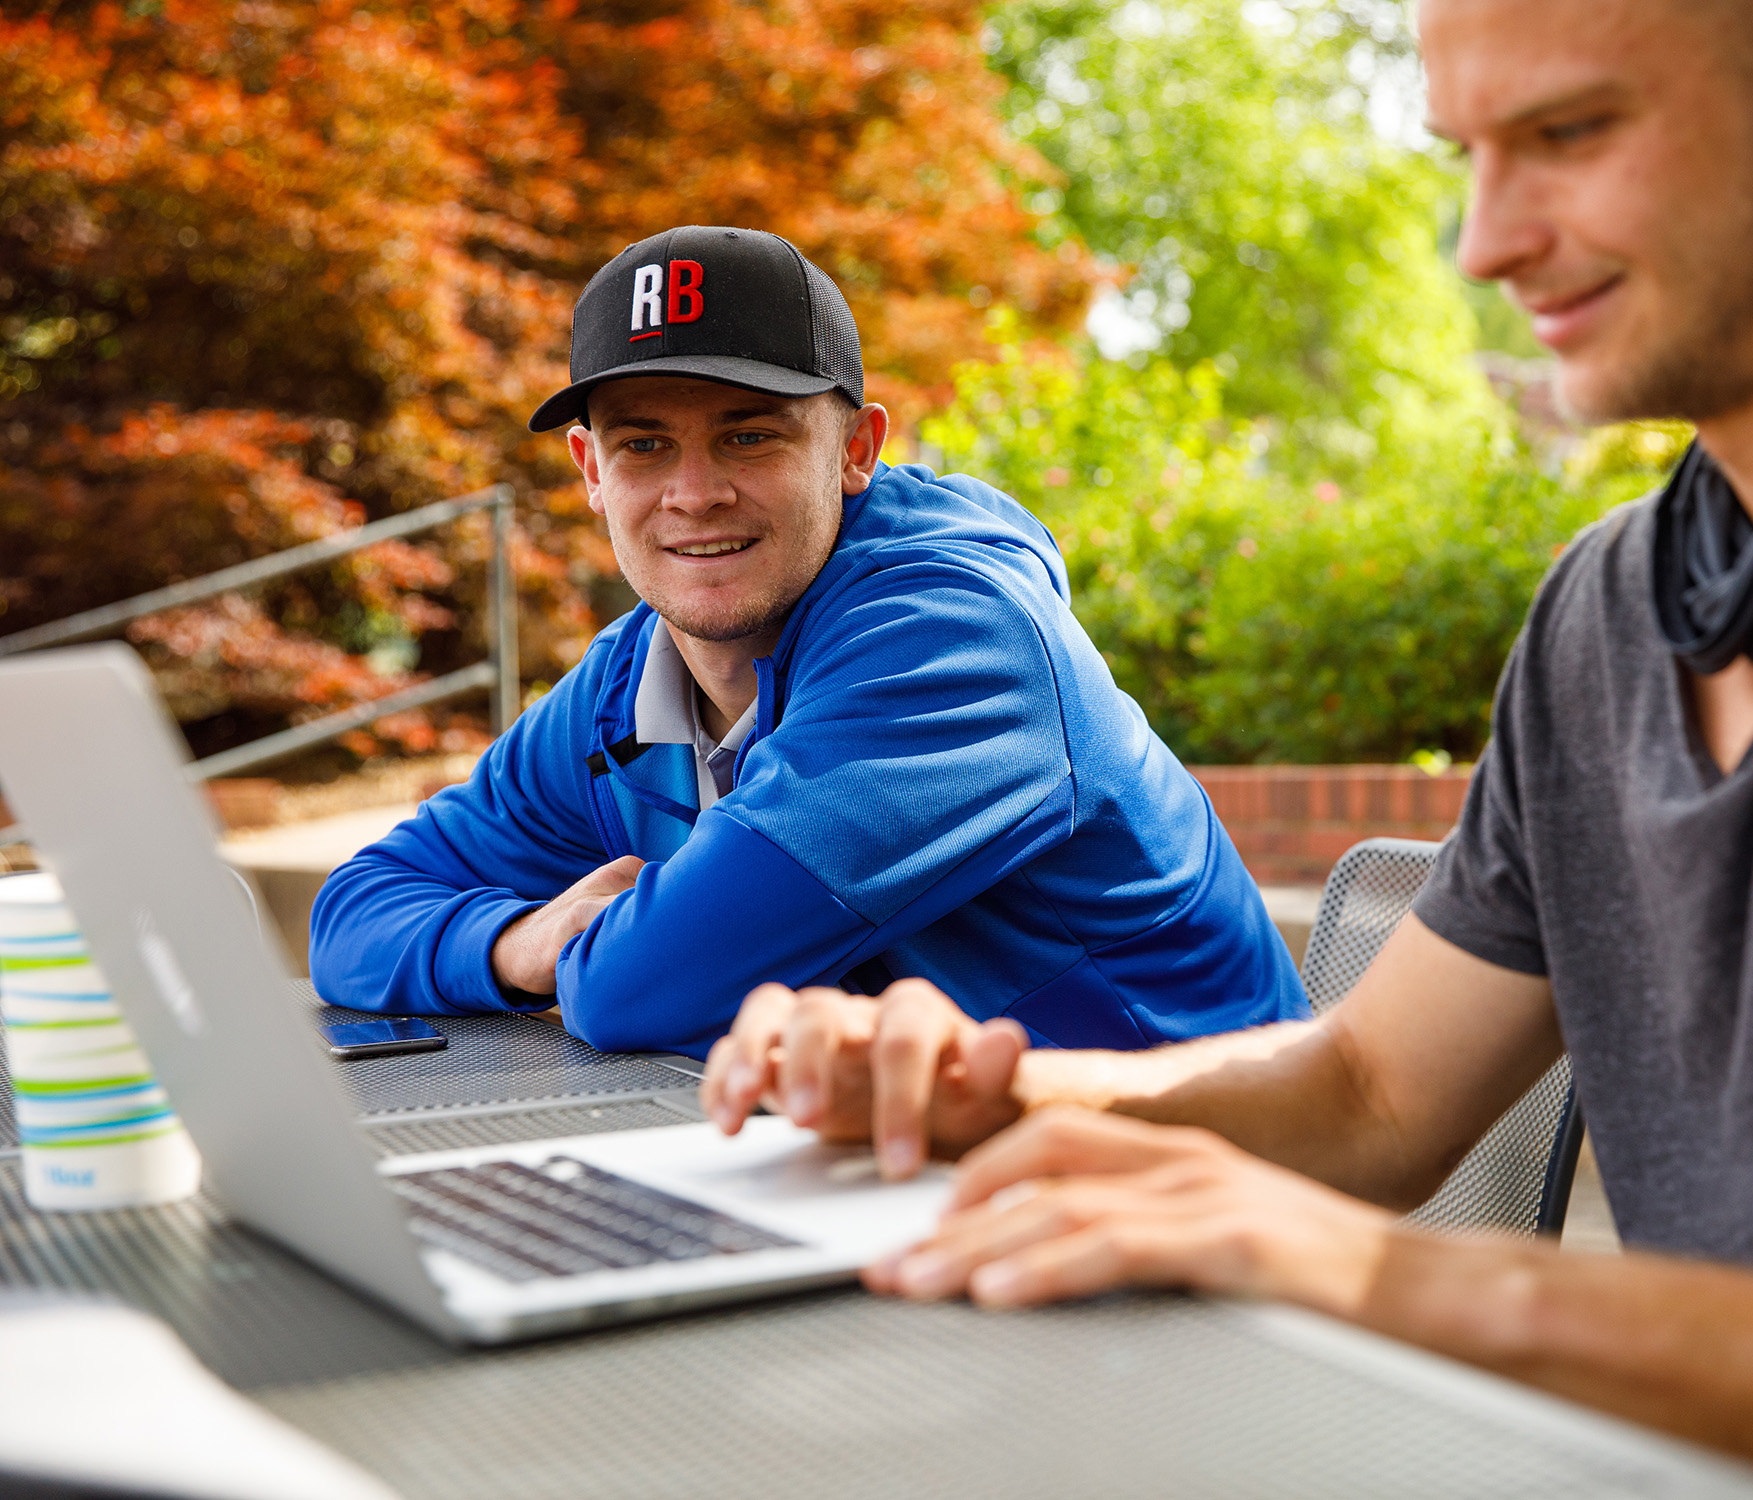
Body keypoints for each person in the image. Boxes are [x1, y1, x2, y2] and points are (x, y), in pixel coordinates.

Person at [697, 1, 1753, 1492]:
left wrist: (1411, 1283)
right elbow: (1373, 1091)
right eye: (1467, 156)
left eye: (1567, 132)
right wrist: (1012, 1101)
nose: (1485, 245)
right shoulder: (1611, 608)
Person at [309, 225, 1307, 1117]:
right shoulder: (623, 685)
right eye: (645, 445)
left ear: (855, 450)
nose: (693, 494)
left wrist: (579, 956)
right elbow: (352, 915)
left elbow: (646, 984)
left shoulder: (960, 644)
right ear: (590, 474)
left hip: (1207, 1209)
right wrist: (516, 941)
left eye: (750, 433)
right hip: (922, 1184)